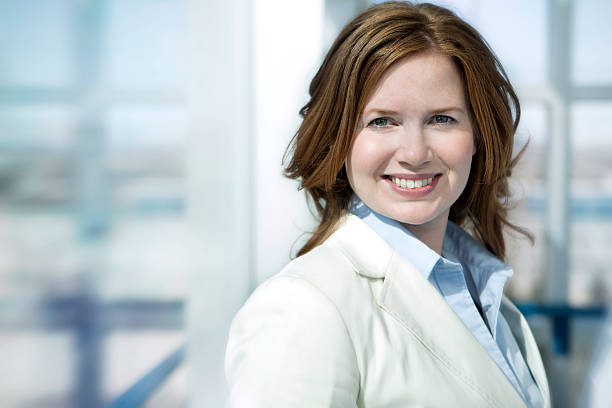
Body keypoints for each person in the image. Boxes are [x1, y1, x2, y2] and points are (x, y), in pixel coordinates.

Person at [225, 2, 550, 407]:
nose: (414, 153)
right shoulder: (303, 308)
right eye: (381, 121)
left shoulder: (479, 288)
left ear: (479, 134)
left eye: (442, 119)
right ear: (338, 136)